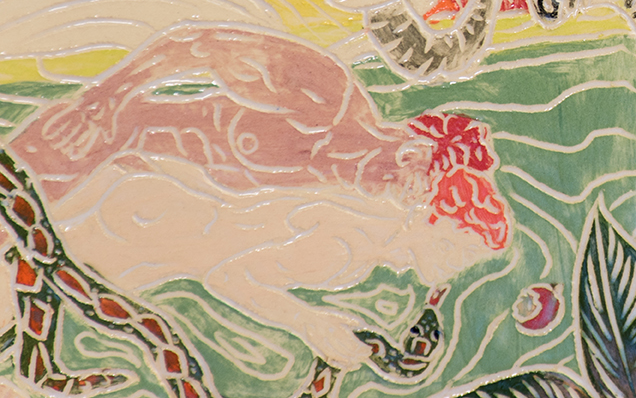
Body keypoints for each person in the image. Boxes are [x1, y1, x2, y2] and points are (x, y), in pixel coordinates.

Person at [0, 24, 509, 388]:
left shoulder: (341, 200)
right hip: (88, 141)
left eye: (418, 202)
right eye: (416, 187)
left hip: (119, 195)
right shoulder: (328, 97)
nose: (404, 201)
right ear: (413, 150)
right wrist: (106, 97)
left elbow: (244, 261)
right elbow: (194, 44)